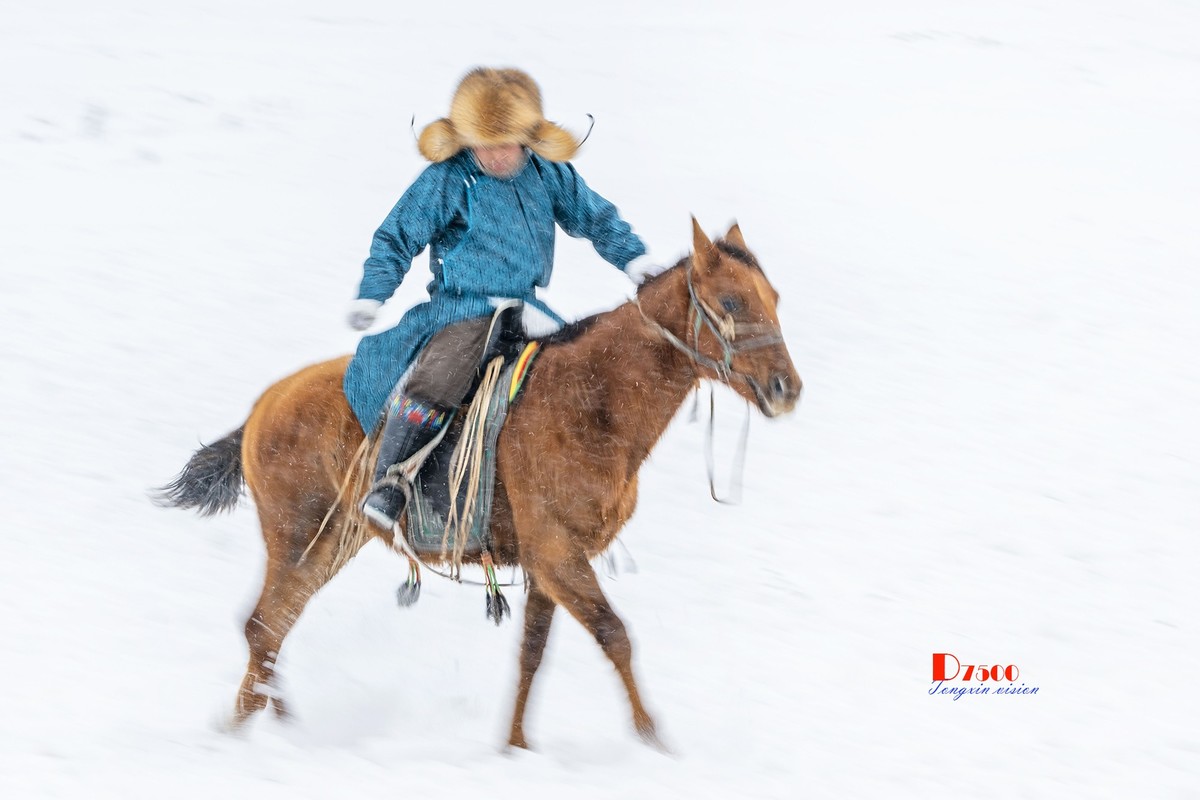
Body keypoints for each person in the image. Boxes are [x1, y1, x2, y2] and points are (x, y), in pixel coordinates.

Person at [344, 67, 652, 532]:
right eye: (482, 145)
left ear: (526, 139)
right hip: (461, 307)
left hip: (527, 308)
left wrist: (635, 261)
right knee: (441, 376)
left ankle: (564, 486)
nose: (493, 155)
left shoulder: (548, 174)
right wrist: (373, 293)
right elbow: (396, 237)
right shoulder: (450, 177)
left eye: (503, 143)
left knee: (576, 373)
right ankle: (393, 480)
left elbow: (598, 220)